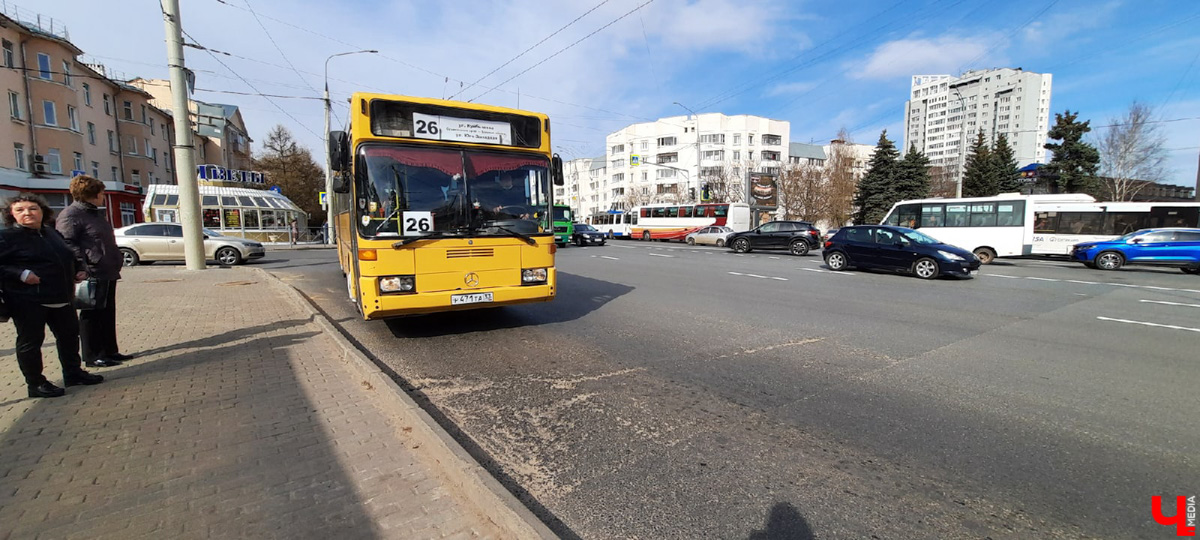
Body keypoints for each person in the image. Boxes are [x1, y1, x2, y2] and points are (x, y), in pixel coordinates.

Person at [0, 193, 104, 398]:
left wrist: (77, 268)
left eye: (32, 208)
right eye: (20, 210)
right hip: (28, 300)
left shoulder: (50, 233)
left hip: (61, 296)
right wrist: (21, 274)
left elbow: (66, 255)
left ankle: (73, 373)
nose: (27, 213)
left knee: (69, 337)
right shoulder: (7, 237)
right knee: (31, 342)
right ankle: (36, 384)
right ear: (12, 215)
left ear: (42, 212)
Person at [57, 175, 133, 368]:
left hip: (107, 270)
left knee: (107, 312)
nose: (103, 196)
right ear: (93, 194)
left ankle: (110, 350)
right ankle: (93, 355)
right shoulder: (71, 215)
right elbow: (67, 242)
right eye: (101, 193)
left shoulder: (94, 214)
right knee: (92, 315)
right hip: (91, 272)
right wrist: (81, 266)